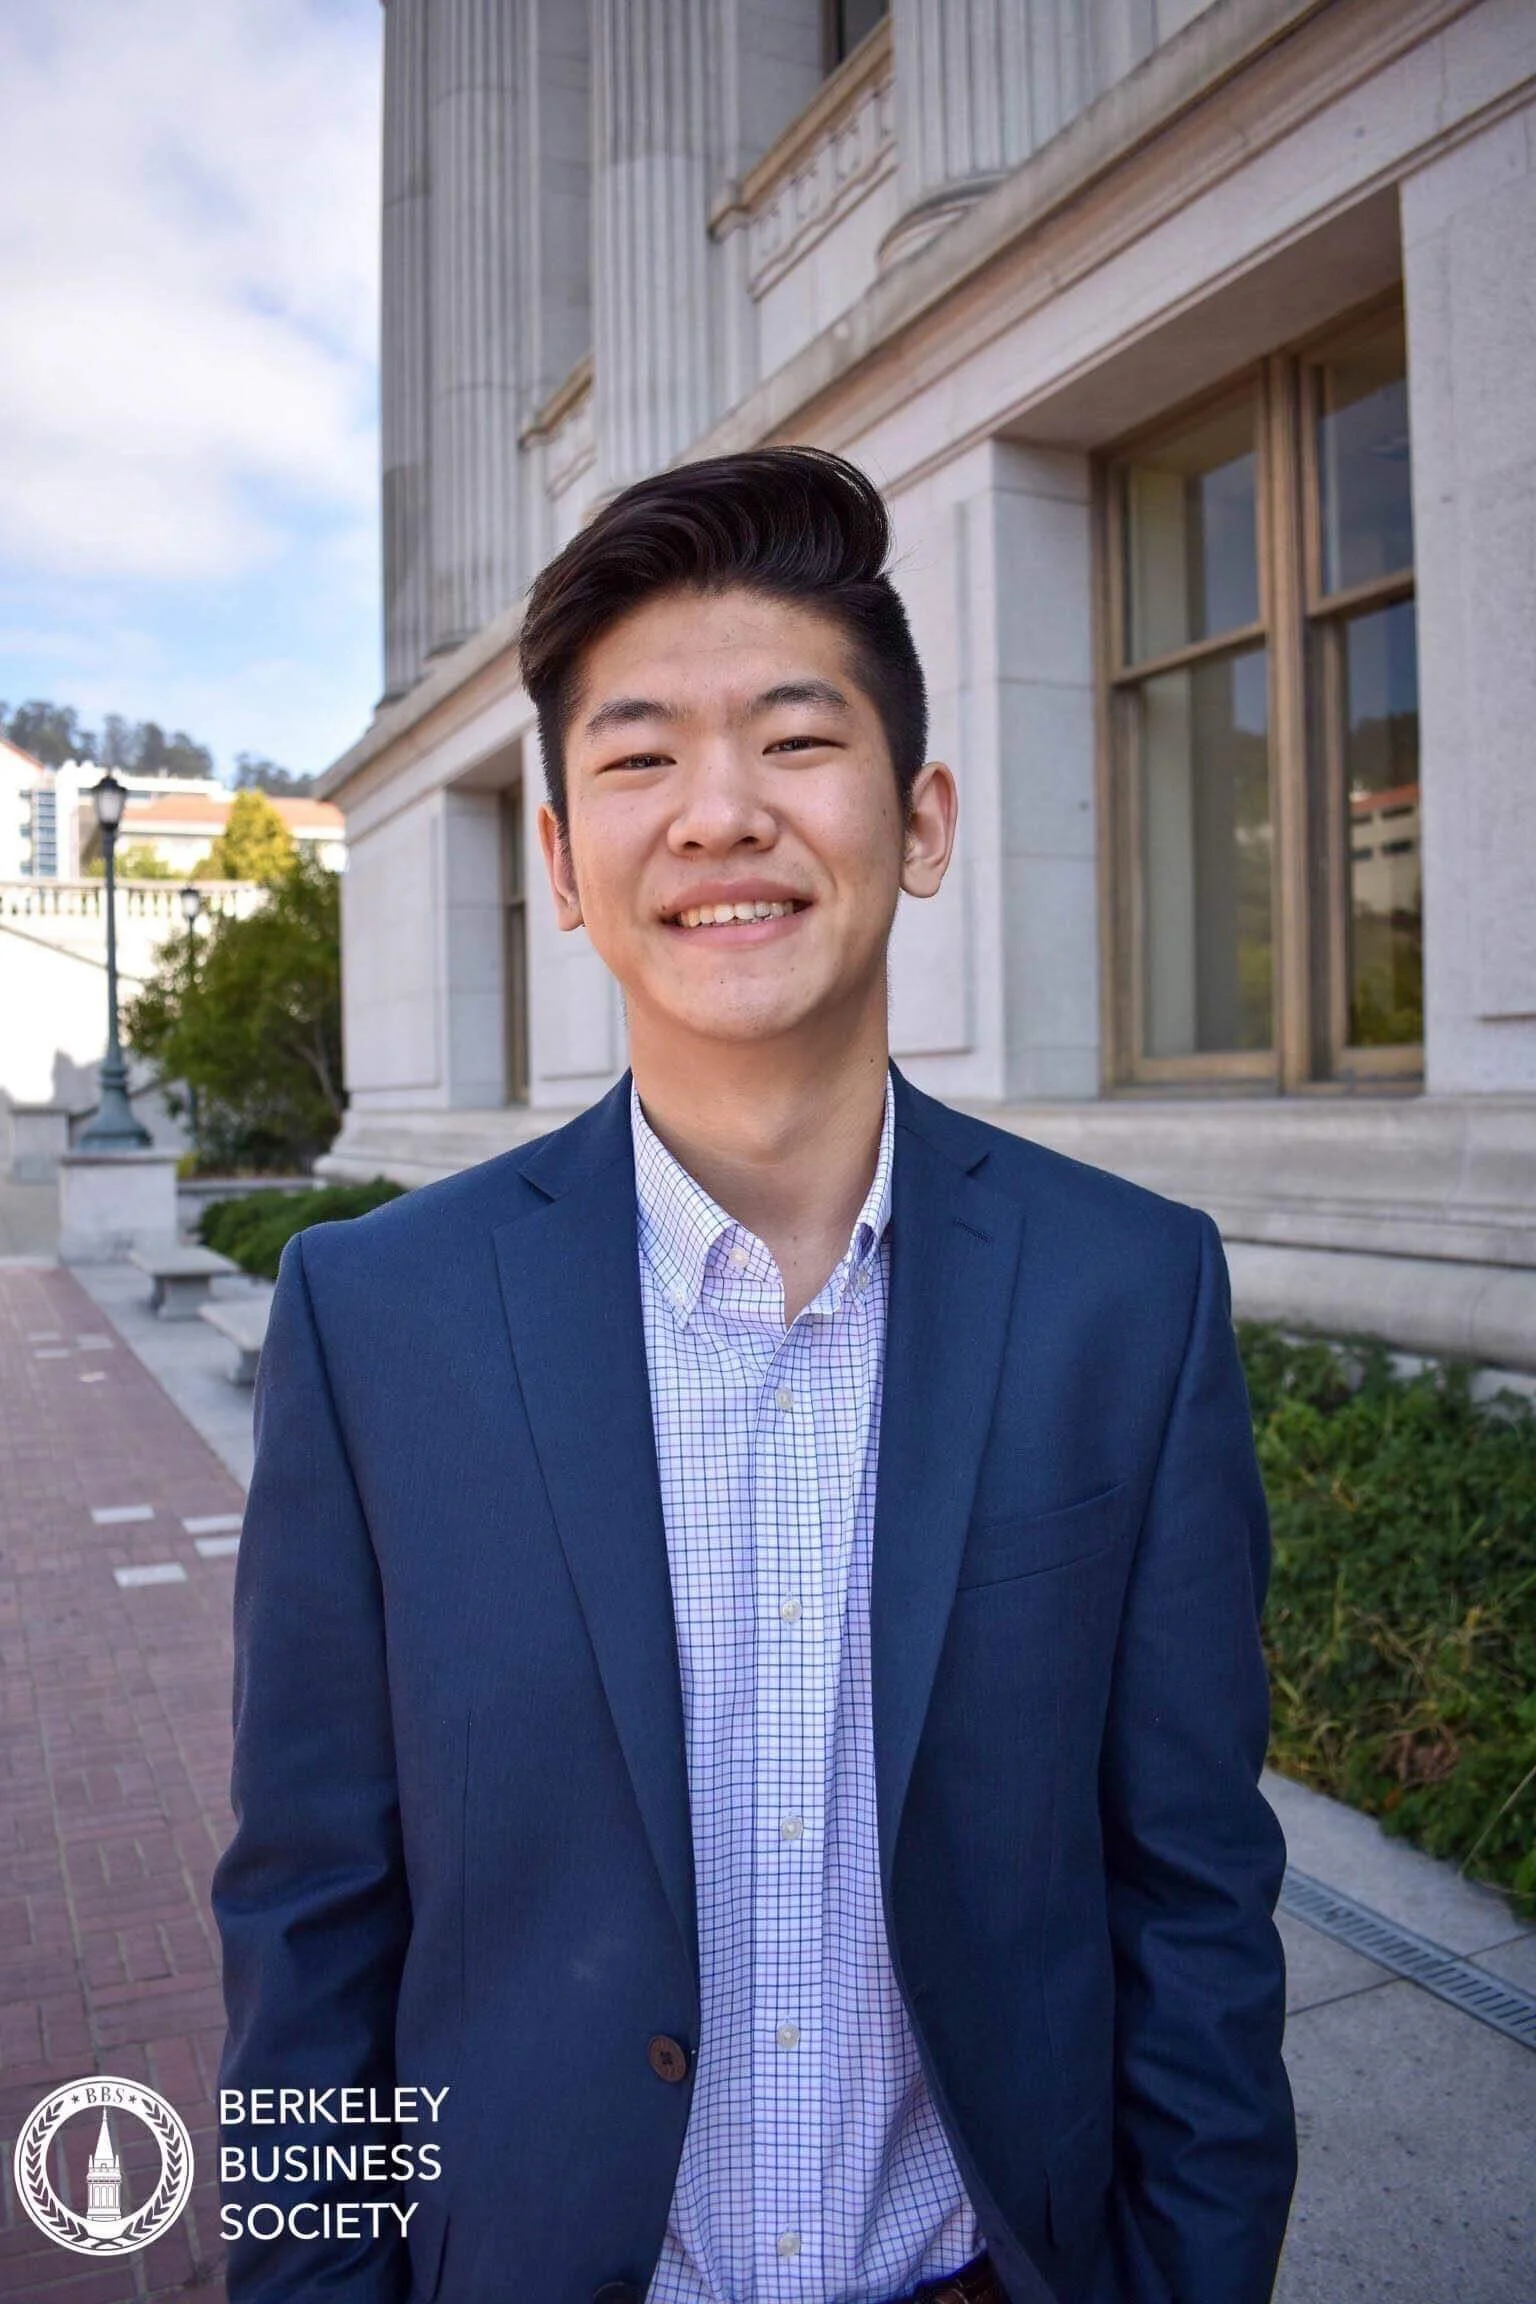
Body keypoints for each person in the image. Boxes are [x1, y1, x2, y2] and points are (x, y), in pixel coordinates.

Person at [212, 447, 1296, 2304]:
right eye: (640, 760)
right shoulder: (378, 1318)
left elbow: (1192, 1894)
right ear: (564, 862)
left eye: (796, 741)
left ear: (922, 821)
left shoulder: (1127, 1295)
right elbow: (310, 1911)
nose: (721, 815)